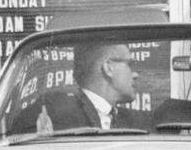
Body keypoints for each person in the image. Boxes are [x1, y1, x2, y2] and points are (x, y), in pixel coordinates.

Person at [11, 41, 141, 133]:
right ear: (108, 68)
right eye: (130, 64)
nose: (136, 74)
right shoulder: (55, 113)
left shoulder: (134, 122)